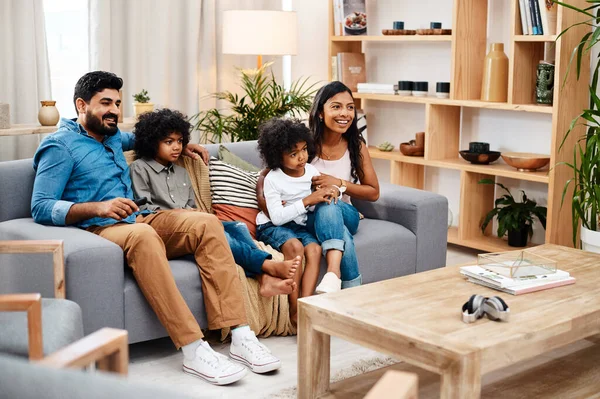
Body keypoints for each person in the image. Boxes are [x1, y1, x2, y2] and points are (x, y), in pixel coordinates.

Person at [30, 71, 281, 386]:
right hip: (97, 228)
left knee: (205, 221)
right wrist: (98, 207)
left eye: (117, 103)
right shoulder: (59, 145)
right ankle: (193, 348)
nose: (114, 110)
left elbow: (149, 137)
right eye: (105, 102)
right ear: (81, 104)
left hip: (138, 218)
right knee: (143, 234)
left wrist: (185, 144)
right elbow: (40, 206)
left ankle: (241, 335)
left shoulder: (109, 135)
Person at [129, 108, 300, 298]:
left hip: (191, 224)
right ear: (152, 142)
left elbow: (190, 204)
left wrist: (190, 213)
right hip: (167, 231)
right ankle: (267, 265)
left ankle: (263, 279)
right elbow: (143, 208)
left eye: (179, 141)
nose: (176, 147)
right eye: (169, 142)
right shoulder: (139, 168)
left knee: (237, 227)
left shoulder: (181, 172)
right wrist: (179, 213)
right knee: (216, 234)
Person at [257, 81, 380, 291]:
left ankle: (334, 273)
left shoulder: (356, 146)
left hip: (345, 213)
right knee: (331, 216)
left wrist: (339, 183)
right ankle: (342, 282)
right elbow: (267, 176)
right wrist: (269, 204)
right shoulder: (304, 144)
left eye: (350, 107)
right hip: (311, 218)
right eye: (336, 106)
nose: (345, 113)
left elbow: (373, 192)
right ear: (320, 112)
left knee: (328, 202)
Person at [255, 118, 340, 323]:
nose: (301, 157)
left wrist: (329, 192)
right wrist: (308, 199)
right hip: (271, 225)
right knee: (294, 247)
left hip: (298, 224)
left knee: (315, 250)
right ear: (277, 156)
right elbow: (276, 217)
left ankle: (305, 302)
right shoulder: (273, 179)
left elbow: (320, 194)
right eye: (293, 154)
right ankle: (294, 310)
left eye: (303, 149)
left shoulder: (311, 171)